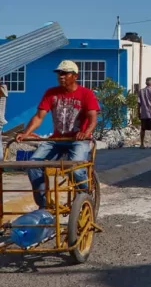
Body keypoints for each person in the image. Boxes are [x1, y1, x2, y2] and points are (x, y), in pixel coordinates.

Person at [16, 60, 99, 209]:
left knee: (77, 168)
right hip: (56, 139)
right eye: (59, 73)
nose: (61, 76)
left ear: (75, 76)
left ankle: (85, 197)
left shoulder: (86, 94)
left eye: (65, 73)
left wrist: (86, 133)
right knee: (33, 165)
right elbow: (39, 117)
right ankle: (45, 206)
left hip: (78, 139)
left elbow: (93, 118)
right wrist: (25, 133)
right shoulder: (51, 93)